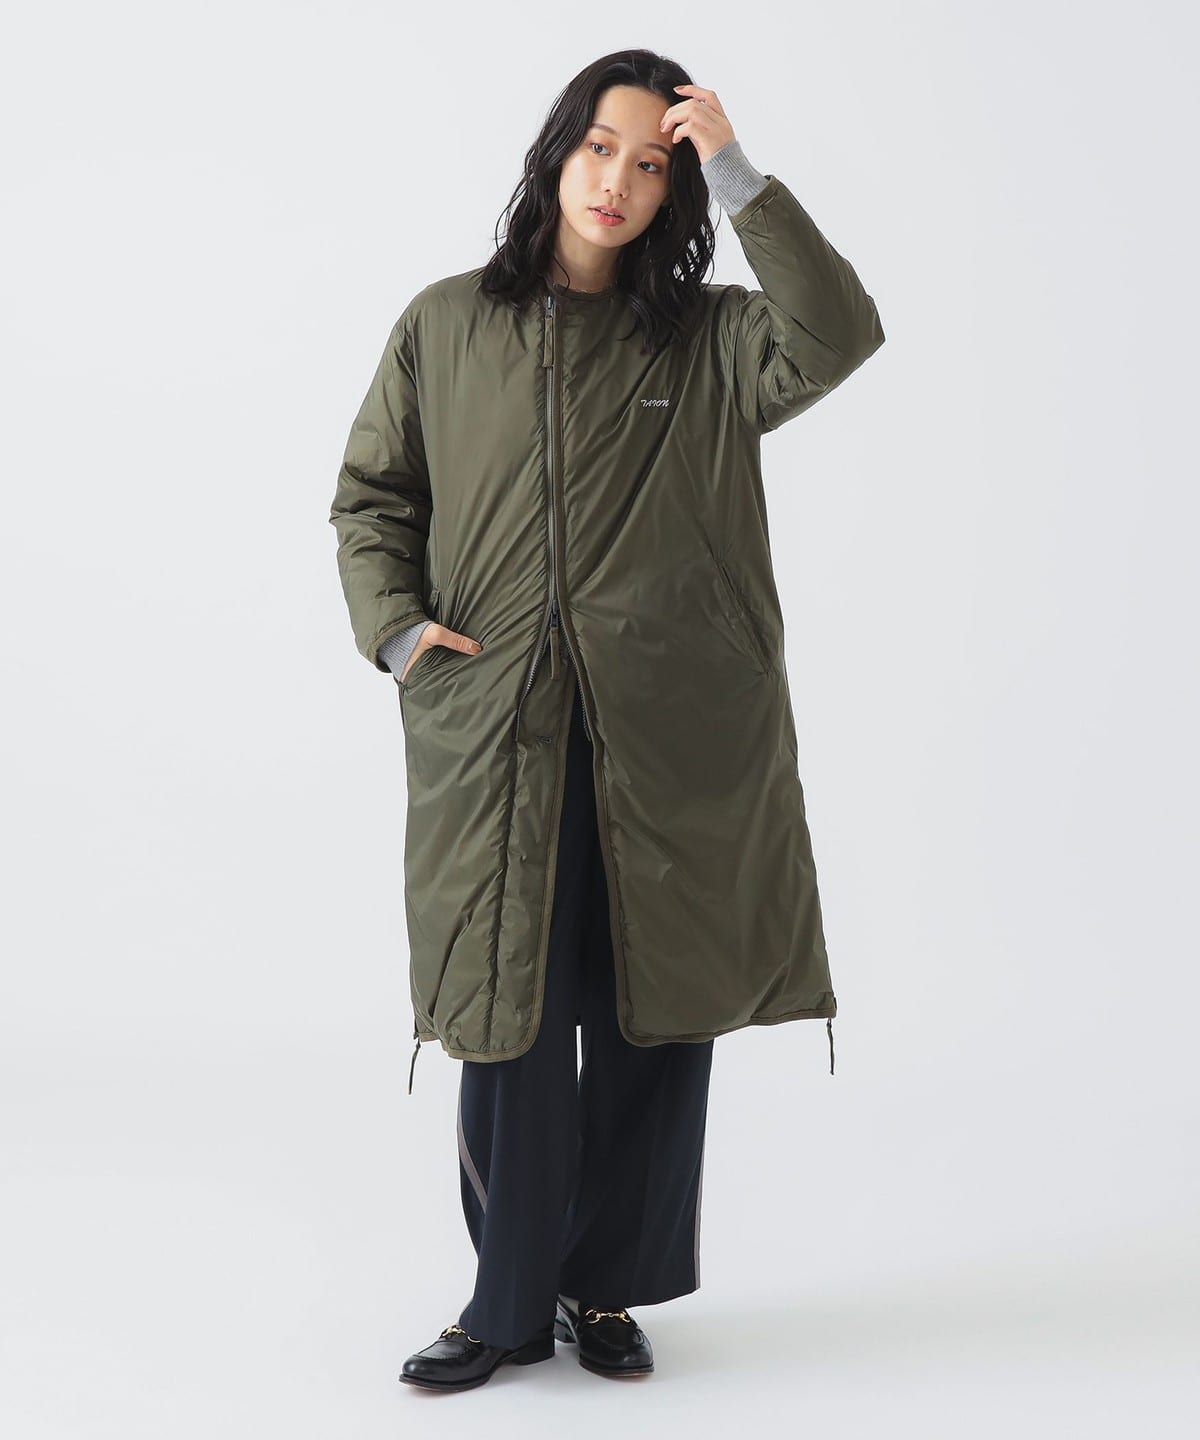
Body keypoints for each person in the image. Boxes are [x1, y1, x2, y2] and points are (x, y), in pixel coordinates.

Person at [329, 49, 885, 1392]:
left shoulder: (711, 338)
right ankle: (507, 1304)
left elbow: (838, 332)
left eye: (652, 164)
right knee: (511, 1013)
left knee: (653, 1016)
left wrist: (735, 167)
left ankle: (607, 1290)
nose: (618, 181)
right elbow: (375, 498)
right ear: (557, 152)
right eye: (600, 148)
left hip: (670, 731)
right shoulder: (447, 324)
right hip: (501, 729)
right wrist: (399, 633)